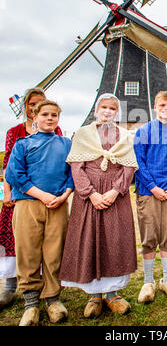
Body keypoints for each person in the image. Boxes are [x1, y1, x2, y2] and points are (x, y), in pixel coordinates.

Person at [59, 93, 138, 318]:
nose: (107, 111)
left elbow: (128, 167)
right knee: (90, 240)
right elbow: (76, 167)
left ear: (117, 112)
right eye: (104, 107)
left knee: (113, 241)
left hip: (115, 194)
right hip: (89, 196)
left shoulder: (124, 136)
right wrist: (90, 194)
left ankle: (112, 294)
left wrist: (115, 191)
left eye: (112, 108)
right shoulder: (83, 134)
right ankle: (94, 295)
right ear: (96, 109)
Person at [5, 100, 73, 326]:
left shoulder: (66, 143)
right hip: (29, 203)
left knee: (54, 252)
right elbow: (15, 174)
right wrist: (41, 195)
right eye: (45, 114)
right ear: (35, 117)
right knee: (28, 251)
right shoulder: (23, 144)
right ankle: (31, 303)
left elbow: (73, 172)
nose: (50, 118)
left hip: (58, 204)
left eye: (54, 115)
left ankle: (53, 299)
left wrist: (64, 195)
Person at [134, 91, 167, 303]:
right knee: (149, 237)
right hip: (148, 192)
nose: (166, 108)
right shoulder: (143, 132)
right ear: (155, 106)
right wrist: (153, 187)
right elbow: (138, 163)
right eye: (162, 105)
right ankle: (148, 281)